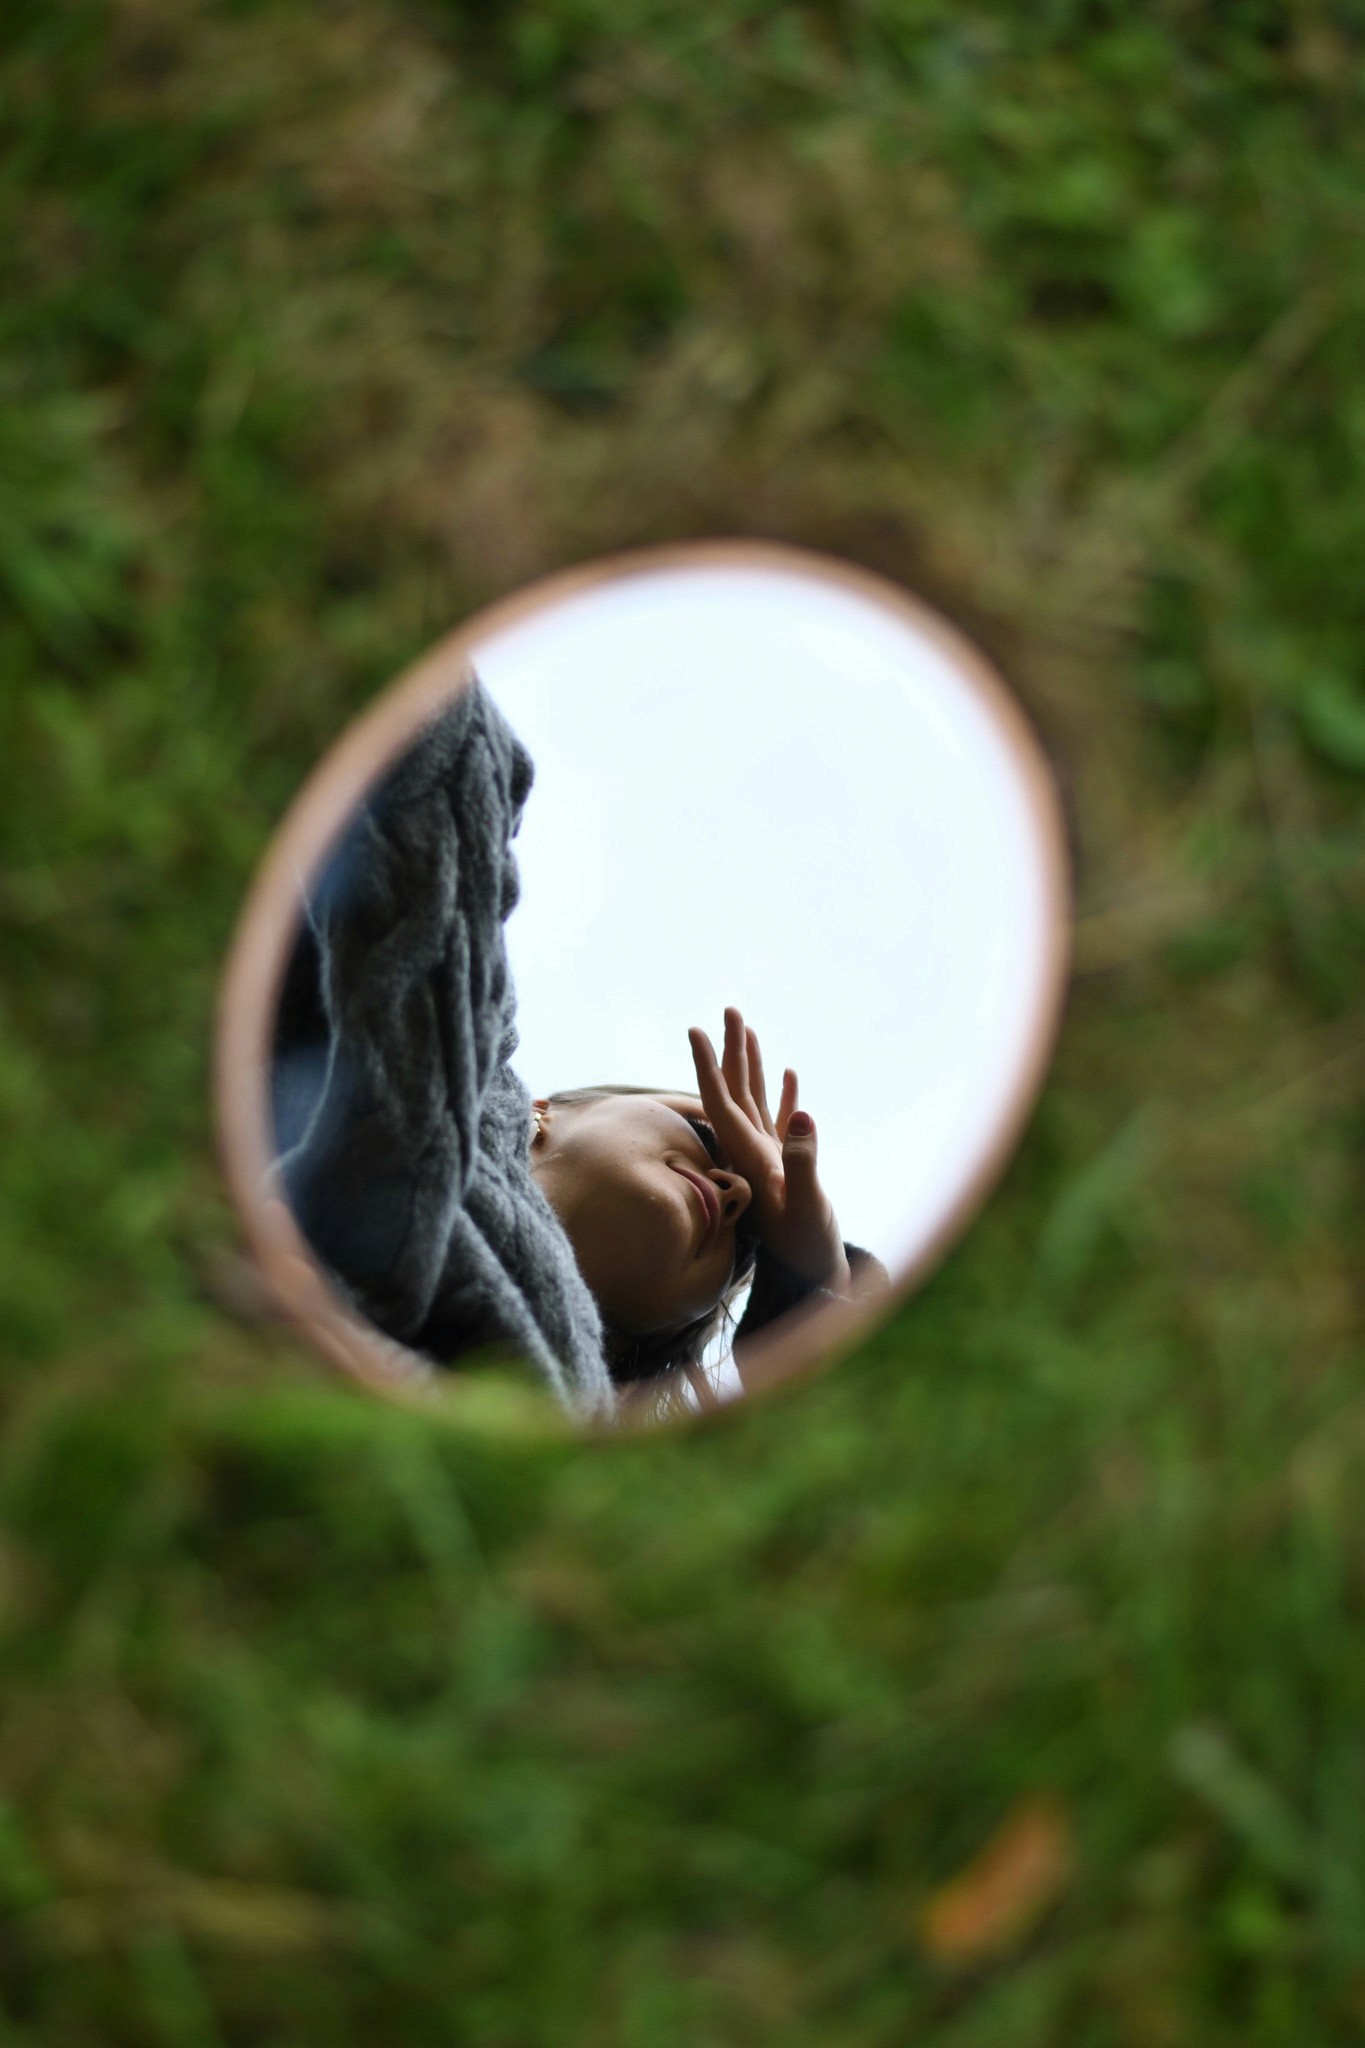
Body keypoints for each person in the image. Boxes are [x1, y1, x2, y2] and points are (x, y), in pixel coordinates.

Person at [271, 678, 881, 1422]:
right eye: (702, 1133)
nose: (737, 1191)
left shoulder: (597, 1430)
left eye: (742, 1249)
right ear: (541, 1111)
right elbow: (439, 758)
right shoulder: (443, 1050)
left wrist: (804, 1278)